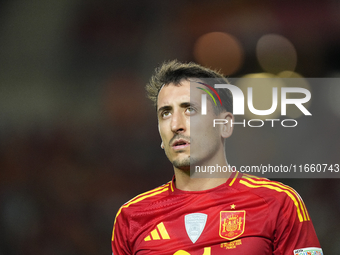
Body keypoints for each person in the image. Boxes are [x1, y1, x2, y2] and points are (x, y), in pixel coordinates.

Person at [111, 60, 323, 255]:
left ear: (225, 125)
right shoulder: (132, 217)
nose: (175, 125)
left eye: (190, 109)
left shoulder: (278, 203)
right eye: (165, 113)